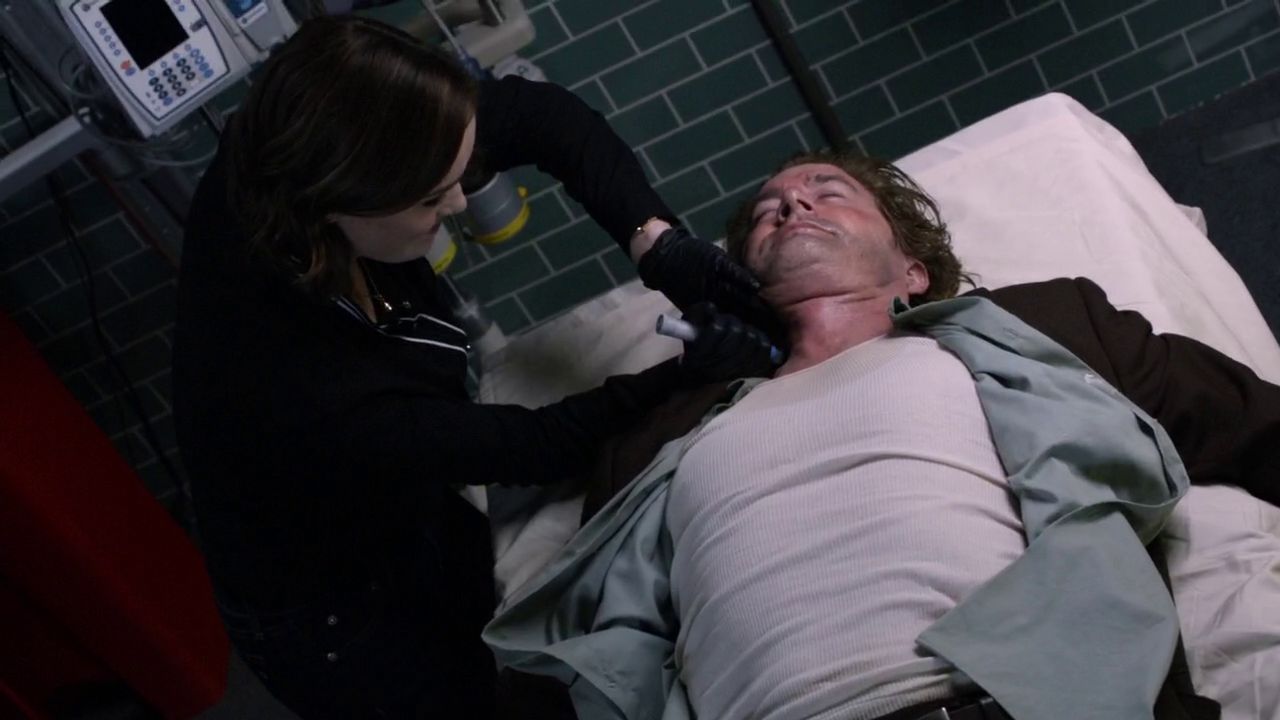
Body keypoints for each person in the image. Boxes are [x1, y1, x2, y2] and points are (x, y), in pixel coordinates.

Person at [482, 150, 1280, 720]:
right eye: (765, 212)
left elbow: (1248, 418)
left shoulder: (1041, 329)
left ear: (913, 269)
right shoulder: (659, 439)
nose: (790, 205)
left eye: (827, 192)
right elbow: (577, 658)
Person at [172, 15, 776, 720]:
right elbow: (530, 445)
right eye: (432, 197)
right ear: (338, 203)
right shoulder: (303, 382)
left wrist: (658, 244)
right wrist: (683, 376)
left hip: (414, 510)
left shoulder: (324, 130)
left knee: (497, 617)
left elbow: (543, 117)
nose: (459, 203)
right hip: (332, 617)